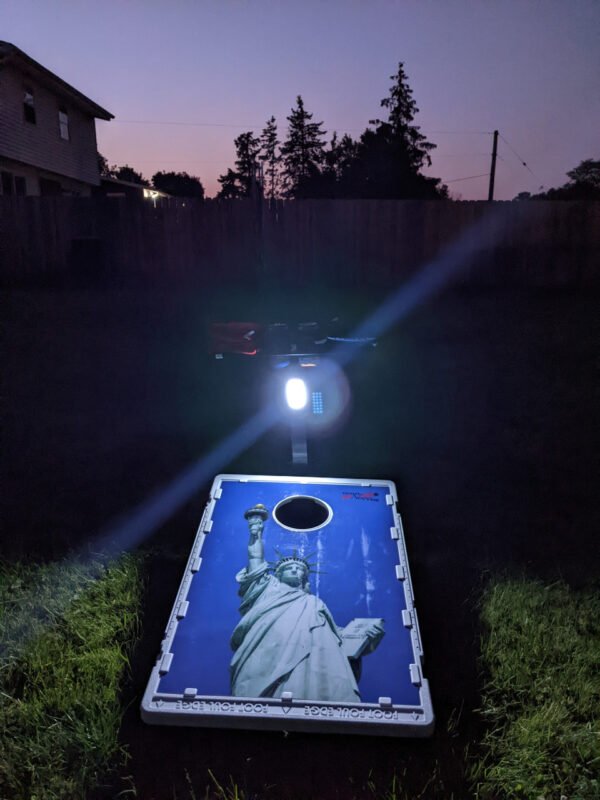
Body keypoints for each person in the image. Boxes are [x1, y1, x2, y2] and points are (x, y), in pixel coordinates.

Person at [230, 504, 384, 702]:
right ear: (278, 574)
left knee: (314, 682)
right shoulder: (267, 589)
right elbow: (255, 557)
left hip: (316, 654)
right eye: (289, 568)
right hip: (271, 647)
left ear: (305, 578)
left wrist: (364, 637)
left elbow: (335, 636)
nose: (295, 571)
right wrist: (256, 530)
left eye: (299, 569)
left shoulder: (312, 602)